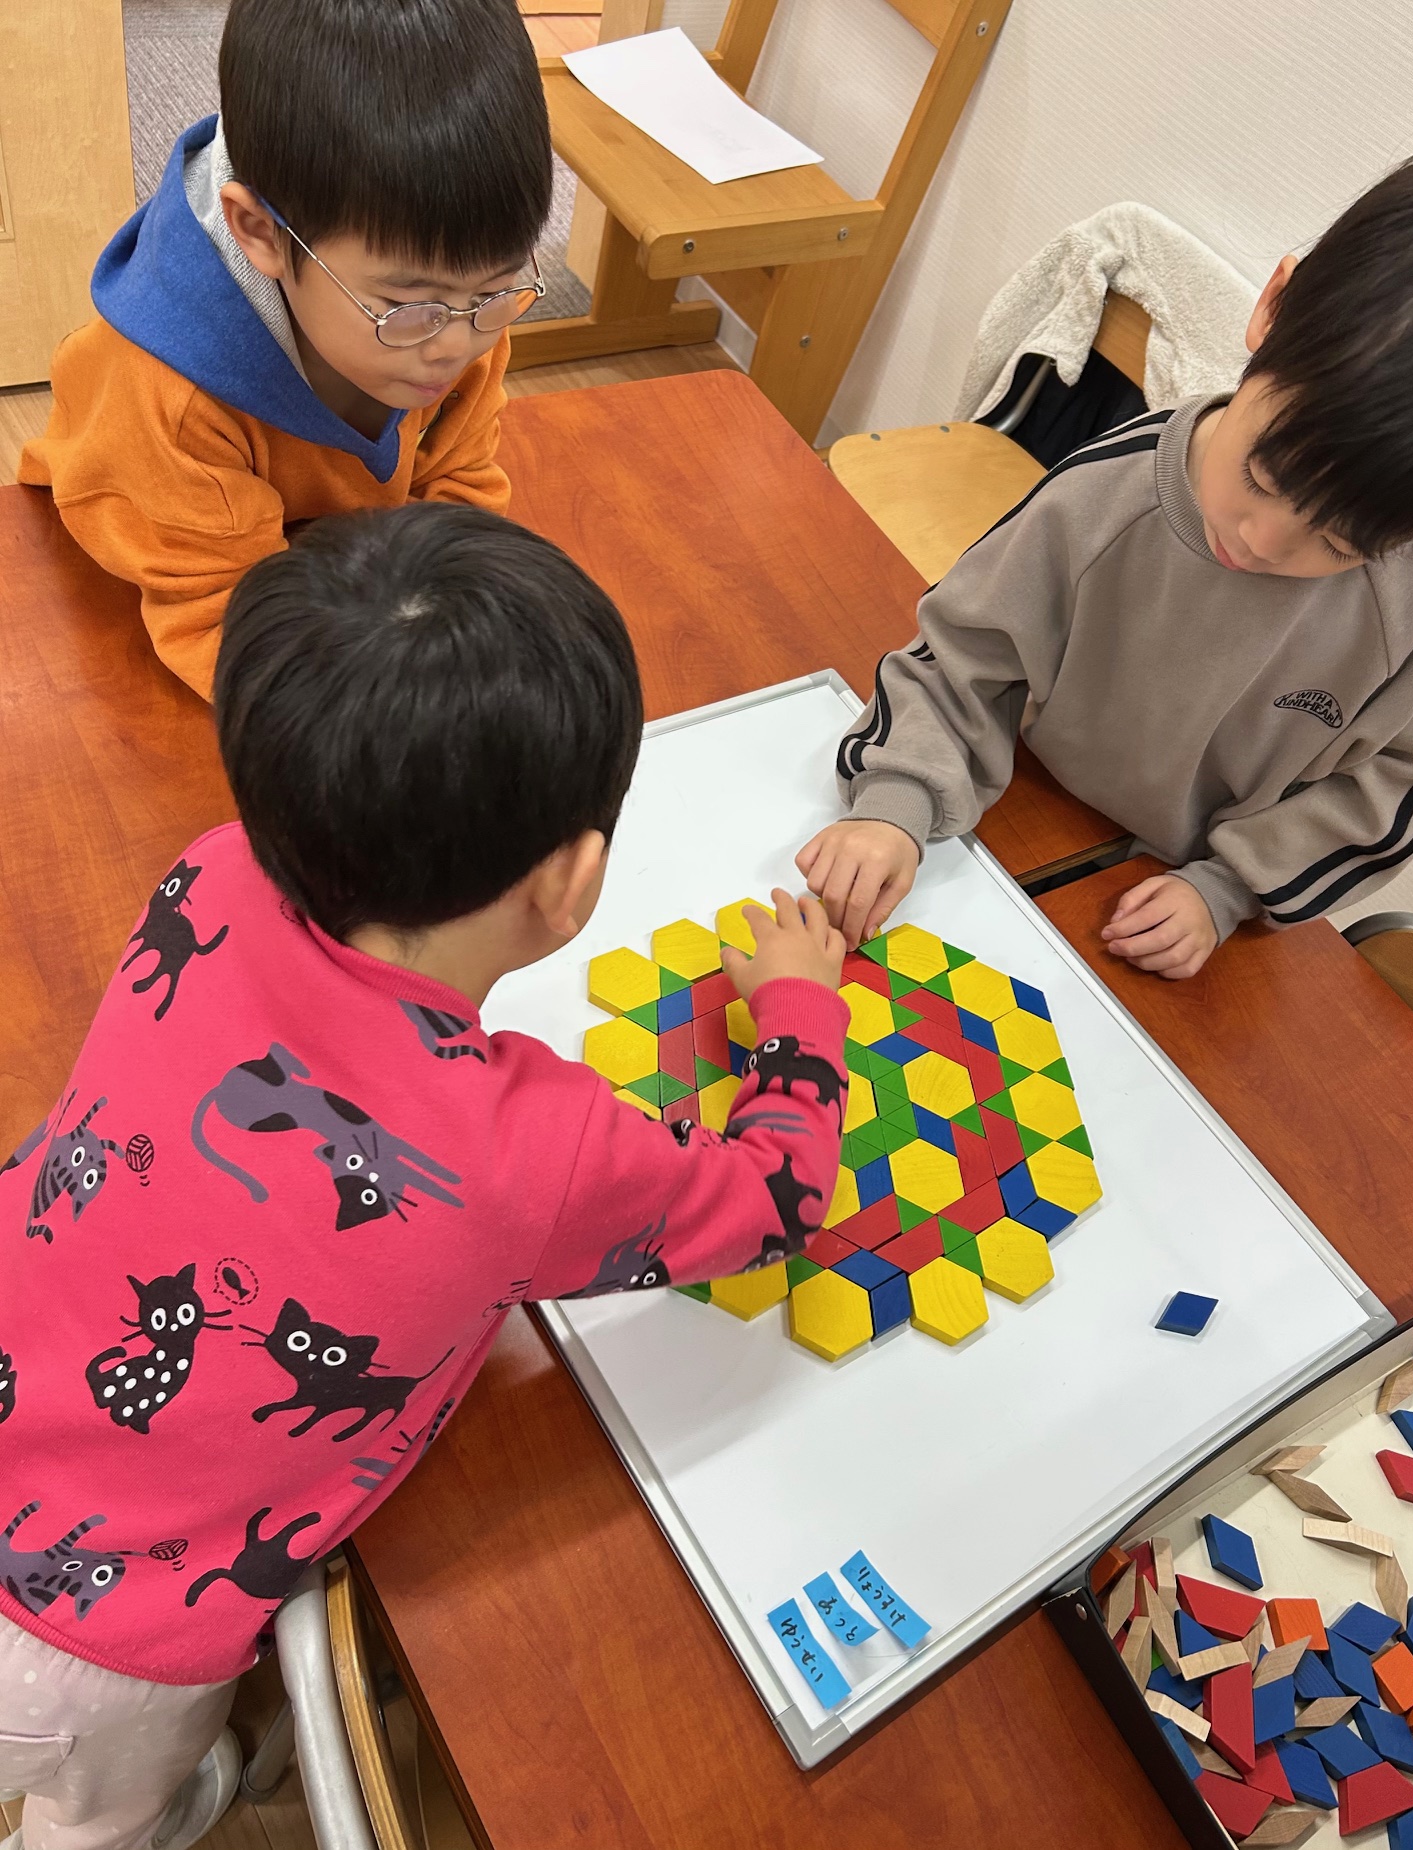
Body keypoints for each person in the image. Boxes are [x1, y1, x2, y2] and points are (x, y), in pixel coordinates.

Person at [0, 505, 848, 1850]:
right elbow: (778, 1198)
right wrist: (798, 1009)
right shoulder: (531, 1149)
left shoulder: (206, 874)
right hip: (100, 1650)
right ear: (570, 881)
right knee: (93, 1819)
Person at [799, 131, 1413, 979]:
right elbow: (962, 655)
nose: (1261, 541)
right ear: (1274, 306)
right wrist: (896, 801)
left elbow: (1402, 786)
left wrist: (1230, 887)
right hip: (1022, 812)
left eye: (1339, 543)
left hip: (1198, 902)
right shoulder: (1111, 488)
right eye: (1263, 475)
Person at [19, 0, 552, 701]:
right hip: (154, 548)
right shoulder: (164, 396)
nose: (460, 344)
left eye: (495, 289)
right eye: (408, 305)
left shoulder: (451, 304)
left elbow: (460, 489)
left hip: (333, 558)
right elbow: (222, 622)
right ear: (259, 232)